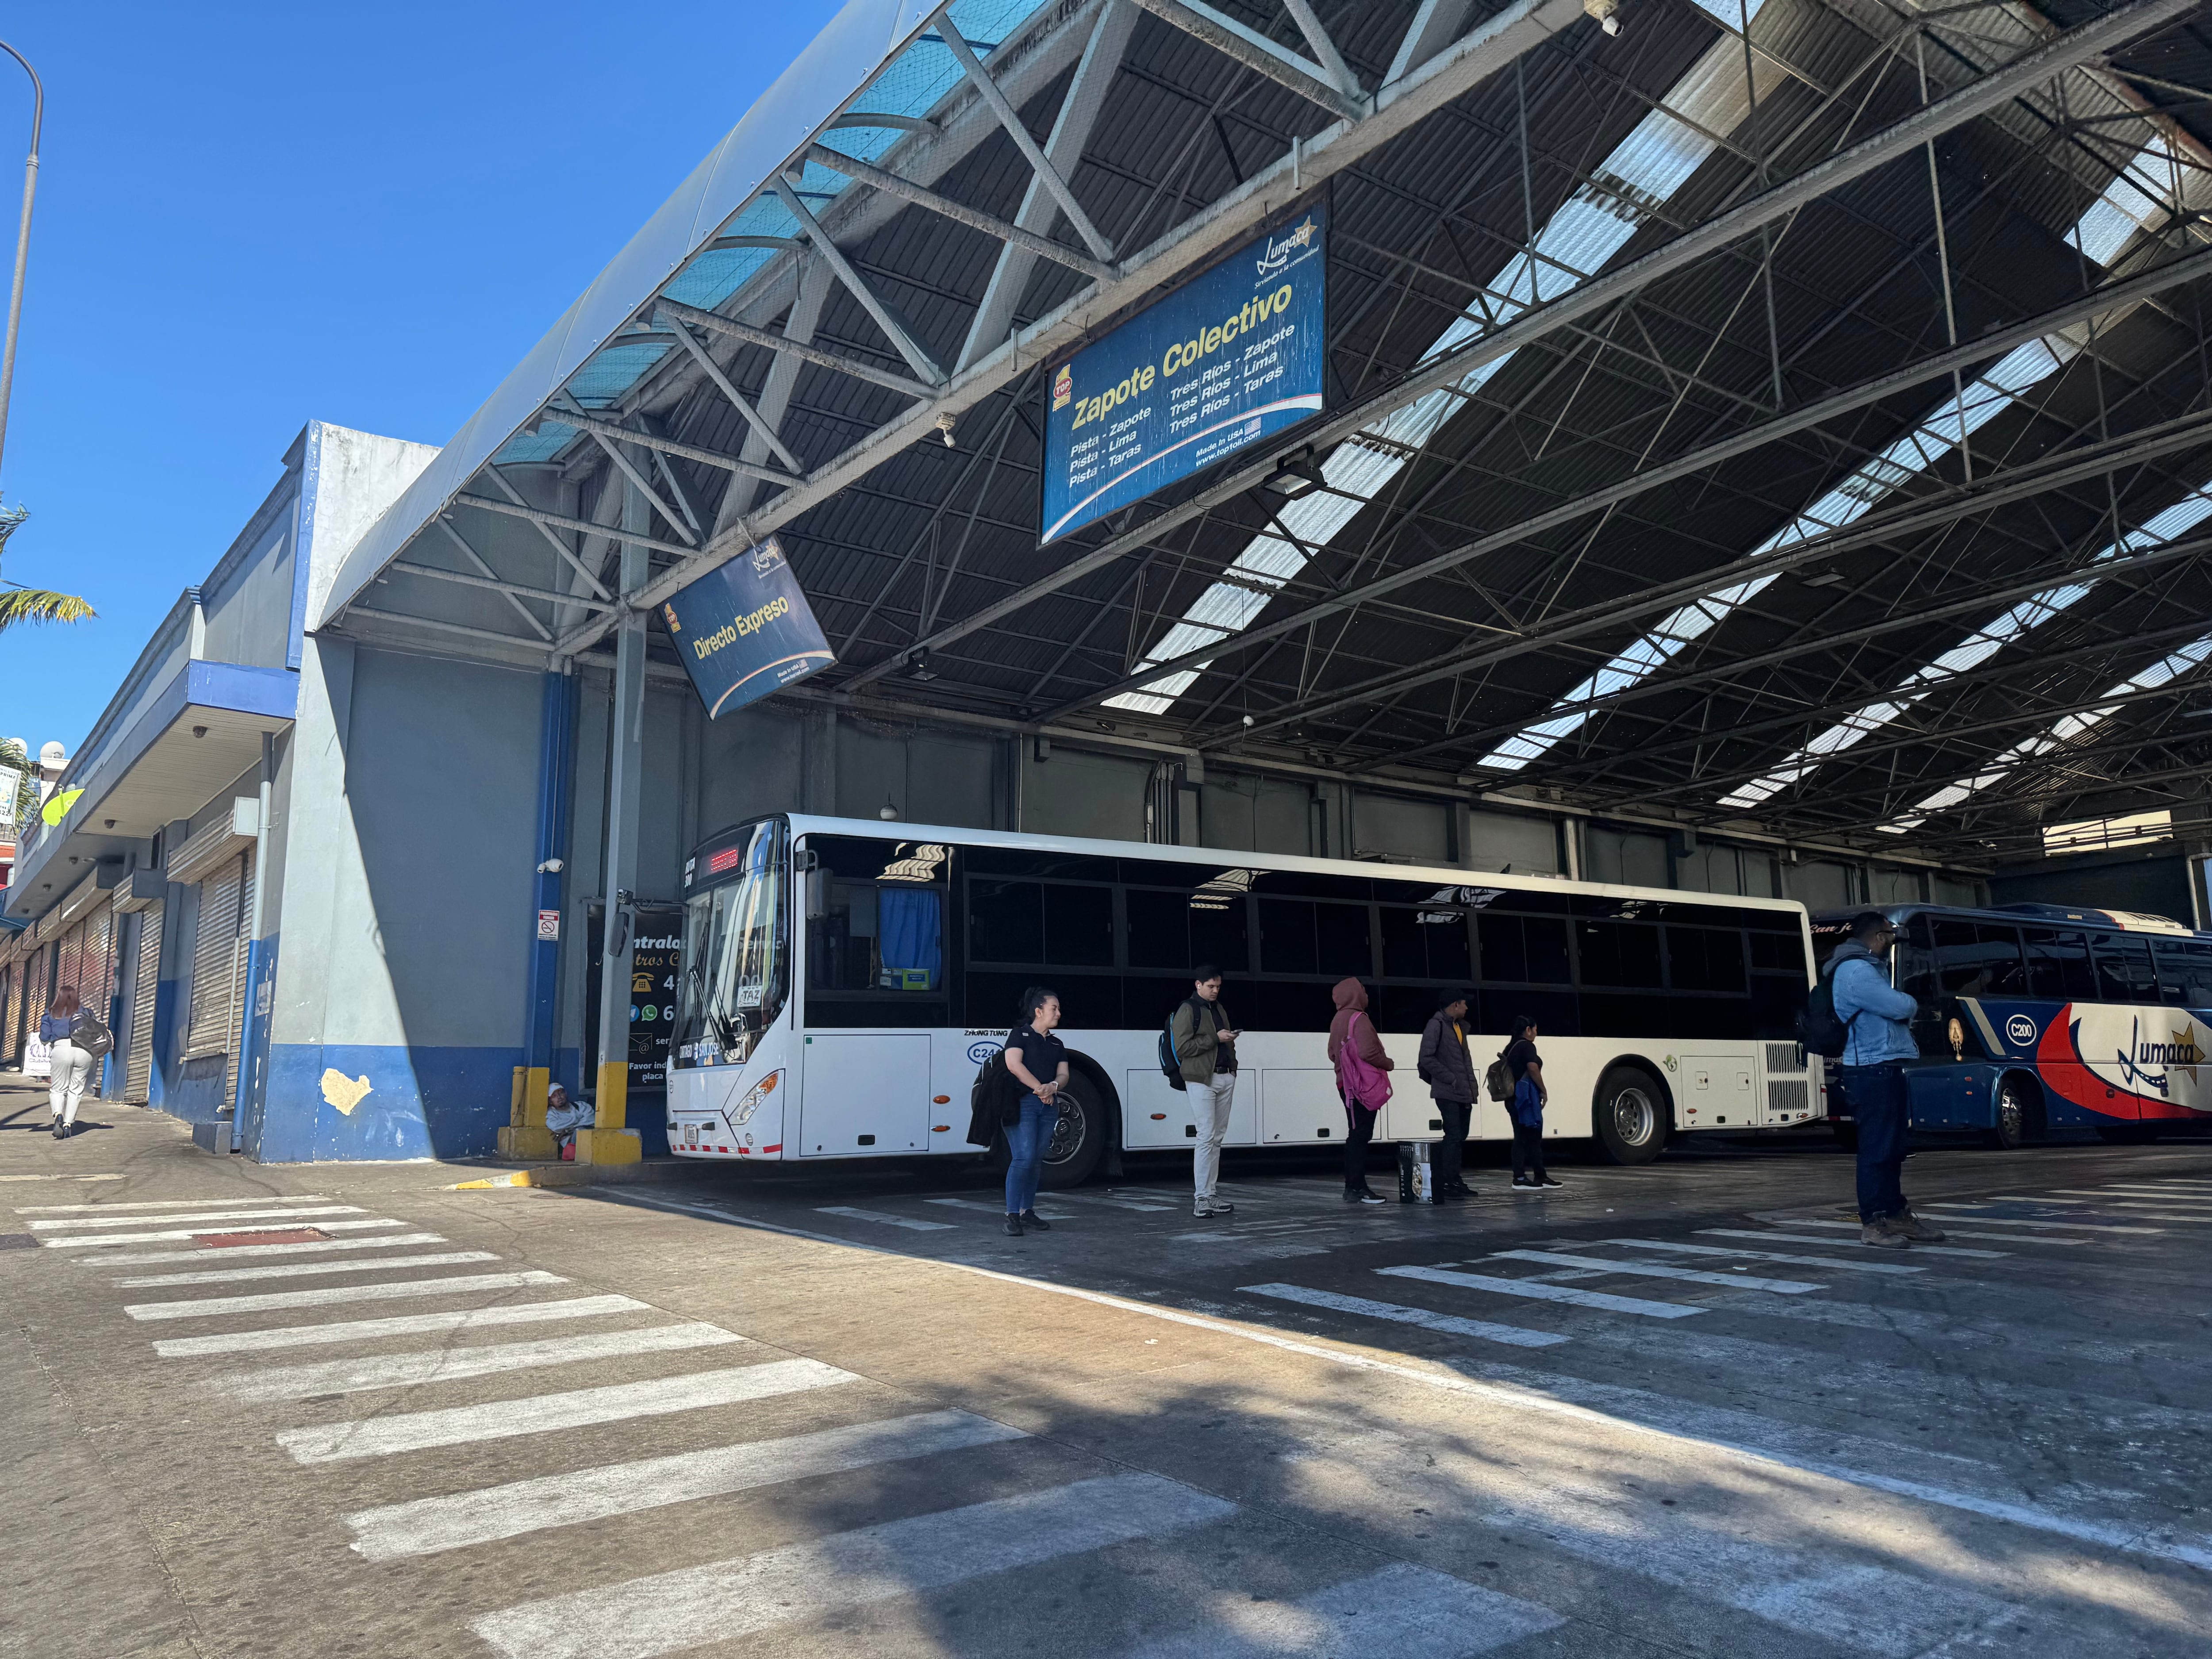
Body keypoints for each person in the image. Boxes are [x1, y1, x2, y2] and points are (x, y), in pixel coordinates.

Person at [1830, 911, 1945, 1249]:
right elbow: (1898, 1006)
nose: (1892, 943)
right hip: (1870, 1068)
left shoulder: (1864, 968)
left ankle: (1896, 1215)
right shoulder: (1856, 971)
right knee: (1877, 1150)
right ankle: (1875, 1222)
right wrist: (1911, 1002)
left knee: (1893, 1148)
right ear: (1879, 937)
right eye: (1890, 936)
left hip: (1882, 1066)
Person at [1170, 964, 1239, 1218]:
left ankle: (1211, 1194)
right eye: (1211, 986)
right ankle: (1201, 1198)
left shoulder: (1218, 1008)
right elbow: (1183, 1048)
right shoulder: (1188, 1009)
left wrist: (1233, 1066)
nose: (1215, 991)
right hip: (1201, 1079)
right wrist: (1215, 1038)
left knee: (1216, 1139)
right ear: (1198, 985)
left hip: (1224, 1076)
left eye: (1218, 987)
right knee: (1206, 1136)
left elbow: (1223, 1041)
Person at [1000, 984, 1069, 1237]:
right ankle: (1011, 1214)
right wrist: (1040, 1089)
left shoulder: (1057, 1043)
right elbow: (1013, 1064)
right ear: (1039, 1011)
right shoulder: (1020, 1035)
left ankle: (1026, 1211)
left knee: (1036, 1160)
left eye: (1059, 1008)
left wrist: (1052, 1087)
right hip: (1023, 1104)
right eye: (1054, 1008)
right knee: (1024, 1157)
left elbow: (1064, 1075)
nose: (1059, 1013)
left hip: (1048, 1105)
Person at [1326, 978, 1392, 1204]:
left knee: (1356, 1134)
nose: (1366, 994)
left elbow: (1332, 1054)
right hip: (1361, 1085)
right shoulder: (1359, 1018)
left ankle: (1353, 1188)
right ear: (1355, 994)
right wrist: (1388, 1062)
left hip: (1345, 1085)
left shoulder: (1337, 1019)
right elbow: (1368, 1053)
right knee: (1360, 1136)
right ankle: (1356, 1188)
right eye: (1363, 990)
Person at [1417, 990, 1479, 1199]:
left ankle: (1453, 1179)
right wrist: (1451, 1078)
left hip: (1462, 1091)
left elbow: (1465, 1062)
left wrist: (1471, 1088)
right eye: (1464, 1004)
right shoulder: (1437, 1025)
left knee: (1459, 1136)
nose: (1467, 1008)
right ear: (1455, 1005)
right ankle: (1447, 1181)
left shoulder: (1459, 1027)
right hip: (1447, 1091)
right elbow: (1426, 1057)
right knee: (1453, 1135)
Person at [1500, 1015, 1560, 1190]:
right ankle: (1524, 1177)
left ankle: (1535, 1176)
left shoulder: (1510, 1047)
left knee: (1524, 1136)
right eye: (1535, 1029)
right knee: (1530, 1136)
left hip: (1513, 1098)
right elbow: (1533, 1068)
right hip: (1525, 1098)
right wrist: (1544, 1090)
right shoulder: (1527, 1046)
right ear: (1528, 1030)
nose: (1536, 1033)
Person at [41, 986, 91, 1141]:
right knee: (76, 1091)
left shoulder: (51, 1013)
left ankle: (58, 1115)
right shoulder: (86, 1012)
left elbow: (44, 1037)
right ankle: (68, 1125)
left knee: (58, 1089)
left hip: (62, 1049)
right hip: (84, 1051)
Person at [544, 1083, 592, 1156]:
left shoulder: (581, 1106)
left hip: (590, 1144)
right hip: (571, 1147)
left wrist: (567, 1131)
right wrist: (577, 1121)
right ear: (550, 1101)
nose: (559, 1097)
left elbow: (592, 1121)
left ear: (566, 1094)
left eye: (561, 1093)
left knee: (581, 1130)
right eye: (554, 1096)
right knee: (579, 1130)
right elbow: (556, 1127)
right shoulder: (551, 1114)